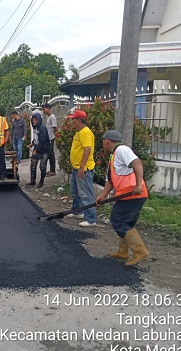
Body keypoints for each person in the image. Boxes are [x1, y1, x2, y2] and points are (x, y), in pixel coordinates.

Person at [96, 130, 150, 266]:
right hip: (127, 195)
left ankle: (140, 251)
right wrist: (102, 196)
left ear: (107, 141)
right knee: (126, 223)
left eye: (103, 141)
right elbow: (110, 181)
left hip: (133, 194)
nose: (103, 144)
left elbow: (137, 163)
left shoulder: (122, 150)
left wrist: (138, 184)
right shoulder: (113, 157)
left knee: (118, 220)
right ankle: (122, 252)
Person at [67, 108, 96, 227]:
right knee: (75, 192)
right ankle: (77, 211)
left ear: (79, 120)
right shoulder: (78, 132)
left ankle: (90, 219)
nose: (72, 122)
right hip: (76, 167)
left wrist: (82, 166)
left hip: (83, 169)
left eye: (73, 119)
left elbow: (87, 149)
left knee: (85, 193)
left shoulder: (85, 132)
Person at [27, 112, 50, 187]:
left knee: (42, 166)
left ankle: (41, 181)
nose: (34, 121)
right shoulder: (35, 127)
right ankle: (32, 180)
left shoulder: (42, 127)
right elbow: (36, 137)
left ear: (39, 120)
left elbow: (42, 140)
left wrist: (36, 150)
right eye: (33, 120)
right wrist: (33, 143)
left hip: (44, 150)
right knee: (33, 165)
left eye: (35, 120)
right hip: (37, 148)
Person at [42, 103, 58, 176]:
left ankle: (53, 170)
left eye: (44, 109)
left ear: (48, 108)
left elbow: (55, 128)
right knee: (50, 154)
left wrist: (56, 137)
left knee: (51, 154)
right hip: (48, 139)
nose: (43, 111)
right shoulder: (49, 117)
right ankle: (51, 169)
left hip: (51, 138)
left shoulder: (52, 117)